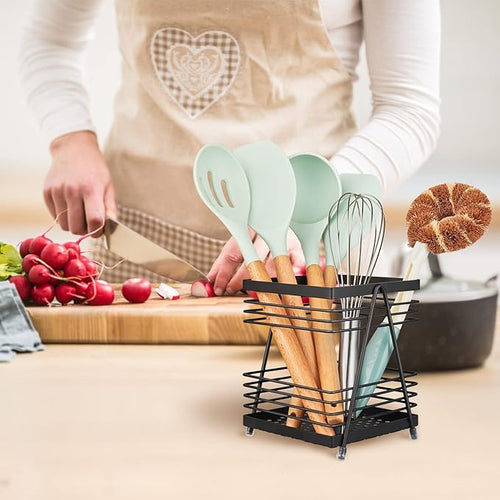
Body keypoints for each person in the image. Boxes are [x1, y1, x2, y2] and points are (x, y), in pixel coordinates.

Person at [19, 0, 441, 295]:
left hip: (305, 246)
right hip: (137, 242)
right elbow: (49, 42)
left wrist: (310, 210)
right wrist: (70, 137)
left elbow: (409, 110)